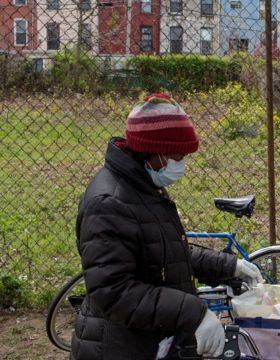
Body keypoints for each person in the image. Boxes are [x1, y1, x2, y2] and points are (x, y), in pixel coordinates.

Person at [71, 93, 263, 360]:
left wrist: (230, 266)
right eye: (178, 155)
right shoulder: (110, 204)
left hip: (154, 339)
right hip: (124, 348)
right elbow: (114, 293)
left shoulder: (144, 187)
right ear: (155, 151)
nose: (182, 162)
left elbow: (167, 252)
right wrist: (194, 313)